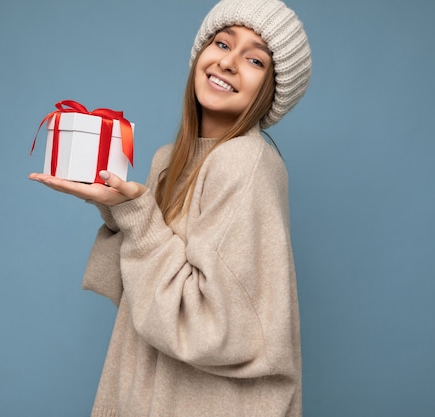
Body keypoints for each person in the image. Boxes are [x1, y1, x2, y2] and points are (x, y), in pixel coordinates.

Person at [29, 0, 312, 415]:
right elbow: (142, 296)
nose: (228, 63)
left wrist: (138, 216)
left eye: (255, 59)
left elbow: (208, 327)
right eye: (221, 43)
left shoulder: (243, 163)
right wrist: (116, 206)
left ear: (271, 89)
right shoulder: (169, 159)